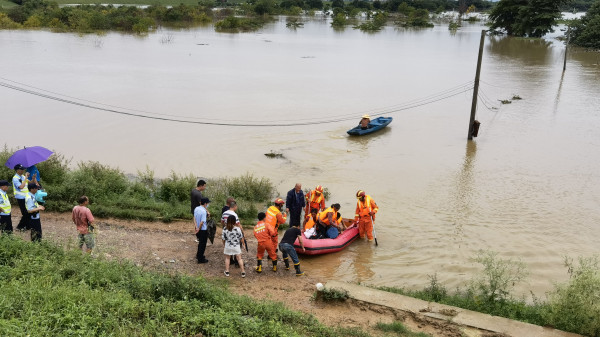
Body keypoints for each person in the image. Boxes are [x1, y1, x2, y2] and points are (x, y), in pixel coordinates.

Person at [13, 164, 34, 231]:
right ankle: (19, 227)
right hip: (20, 198)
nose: (23, 170)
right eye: (21, 169)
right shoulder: (15, 178)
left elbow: (30, 183)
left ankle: (28, 226)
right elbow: (21, 187)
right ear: (17, 170)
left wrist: (33, 178)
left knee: (28, 212)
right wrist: (25, 178)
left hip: (26, 197)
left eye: (23, 169)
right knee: (25, 213)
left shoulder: (22, 176)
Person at [221, 201, 242, 267]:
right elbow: (238, 224)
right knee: (236, 245)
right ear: (234, 207)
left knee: (229, 244)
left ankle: (231, 260)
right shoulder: (234, 214)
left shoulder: (224, 213)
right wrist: (242, 231)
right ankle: (237, 262)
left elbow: (222, 221)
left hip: (227, 230)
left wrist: (224, 227)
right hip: (234, 231)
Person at [193, 197, 211, 263]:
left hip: (197, 228)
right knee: (202, 244)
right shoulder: (203, 212)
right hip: (203, 230)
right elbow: (202, 222)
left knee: (200, 242)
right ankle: (200, 259)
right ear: (205, 203)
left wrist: (196, 227)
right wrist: (199, 229)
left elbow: (194, 218)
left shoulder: (196, 208)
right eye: (208, 203)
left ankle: (198, 255)